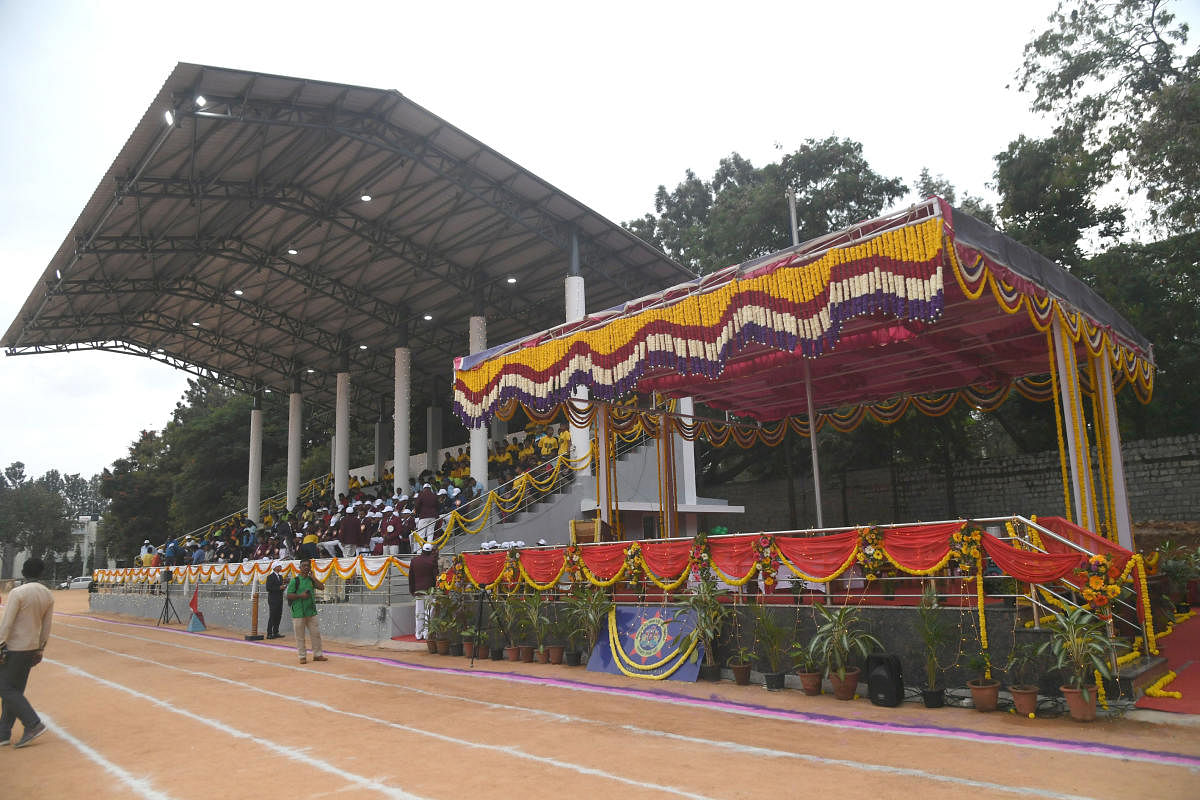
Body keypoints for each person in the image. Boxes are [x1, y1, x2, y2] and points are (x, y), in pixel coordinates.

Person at [0, 558, 54, 748]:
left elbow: (7, 623)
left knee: (5, 688)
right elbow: (46, 626)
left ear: (23, 572)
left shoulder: (18, 592)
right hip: (31, 647)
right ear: (41, 573)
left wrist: (0, 645)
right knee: (14, 690)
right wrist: (40, 648)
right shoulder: (47, 594)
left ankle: (33, 724)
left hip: (14, 647)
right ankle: (4, 733)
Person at [285, 561, 327, 664]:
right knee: (300, 636)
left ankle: (317, 655)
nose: (306, 567)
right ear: (299, 567)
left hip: (311, 612)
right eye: (303, 566)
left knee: (316, 634)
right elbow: (288, 595)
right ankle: (302, 656)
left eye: (308, 566)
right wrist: (300, 596)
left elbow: (322, 587)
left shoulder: (311, 580)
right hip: (298, 612)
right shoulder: (295, 581)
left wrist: (313, 578)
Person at [408, 542, 439, 640]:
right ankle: (426, 633)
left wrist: (412, 590)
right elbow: (435, 577)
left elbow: (411, 577)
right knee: (429, 612)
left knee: (419, 612)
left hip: (418, 590)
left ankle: (418, 634)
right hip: (429, 590)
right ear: (431, 551)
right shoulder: (432, 561)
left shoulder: (414, 561)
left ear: (422, 550)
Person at [264, 563, 285, 639]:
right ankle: (269, 633)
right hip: (273, 599)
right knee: (272, 616)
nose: (281, 567)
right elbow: (268, 588)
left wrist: (284, 587)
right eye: (279, 566)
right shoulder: (270, 577)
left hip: (280, 598)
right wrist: (279, 588)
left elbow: (281, 588)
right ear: (275, 567)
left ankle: (276, 632)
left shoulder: (280, 576)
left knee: (278, 615)